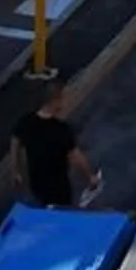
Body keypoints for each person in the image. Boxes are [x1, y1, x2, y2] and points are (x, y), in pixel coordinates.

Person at [11, 77, 102, 208]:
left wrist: (15, 171)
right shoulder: (61, 130)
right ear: (55, 101)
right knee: (62, 215)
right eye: (63, 98)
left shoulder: (26, 121)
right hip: (59, 189)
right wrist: (90, 178)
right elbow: (77, 160)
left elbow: (14, 142)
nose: (65, 102)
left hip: (36, 184)